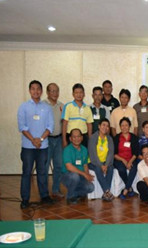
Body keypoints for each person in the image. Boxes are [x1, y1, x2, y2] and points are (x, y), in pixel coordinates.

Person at [17, 80, 54, 209]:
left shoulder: (47, 108)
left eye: (38, 89)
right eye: (33, 89)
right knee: (27, 172)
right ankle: (25, 199)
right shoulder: (24, 107)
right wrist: (33, 140)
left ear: (41, 91)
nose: (36, 91)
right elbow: (22, 127)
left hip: (43, 146)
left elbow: (50, 126)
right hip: (28, 146)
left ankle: (44, 196)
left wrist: (41, 140)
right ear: (29, 91)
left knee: (42, 171)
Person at [61, 129, 95, 205]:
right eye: (74, 137)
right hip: (68, 175)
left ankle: (74, 193)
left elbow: (85, 165)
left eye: (79, 136)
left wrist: (87, 176)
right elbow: (69, 167)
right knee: (75, 176)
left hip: (81, 176)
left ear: (82, 138)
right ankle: (70, 197)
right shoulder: (67, 149)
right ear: (70, 139)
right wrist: (84, 174)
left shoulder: (84, 149)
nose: (77, 139)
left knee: (91, 187)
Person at [43, 83, 64, 198]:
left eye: (56, 91)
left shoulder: (62, 106)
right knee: (45, 166)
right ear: (47, 92)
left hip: (59, 139)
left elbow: (64, 123)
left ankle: (56, 189)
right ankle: (44, 192)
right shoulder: (43, 105)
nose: (54, 93)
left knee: (58, 166)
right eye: (52, 91)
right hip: (46, 140)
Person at [88, 118, 115, 201]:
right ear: (99, 126)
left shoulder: (109, 139)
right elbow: (93, 154)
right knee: (98, 169)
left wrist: (106, 165)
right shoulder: (93, 137)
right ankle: (107, 191)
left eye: (107, 126)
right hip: (93, 162)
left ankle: (106, 194)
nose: (105, 127)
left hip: (105, 162)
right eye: (103, 125)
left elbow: (111, 153)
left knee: (111, 168)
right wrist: (101, 165)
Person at [113, 117, 139, 199]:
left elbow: (136, 152)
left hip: (132, 159)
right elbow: (114, 153)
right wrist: (123, 160)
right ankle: (129, 188)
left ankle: (126, 189)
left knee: (134, 168)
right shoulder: (116, 138)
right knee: (121, 169)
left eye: (126, 125)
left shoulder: (134, 137)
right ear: (120, 127)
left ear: (129, 126)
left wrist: (130, 162)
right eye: (122, 125)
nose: (124, 127)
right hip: (119, 159)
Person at [62, 83, 93, 148]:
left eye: (81, 92)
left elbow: (89, 125)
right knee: (71, 157)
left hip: (83, 137)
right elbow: (64, 124)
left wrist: (90, 140)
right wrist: (64, 140)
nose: (79, 95)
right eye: (76, 92)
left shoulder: (87, 108)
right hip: (71, 137)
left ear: (84, 94)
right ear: (73, 94)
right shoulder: (68, 106)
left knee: (83, 157)